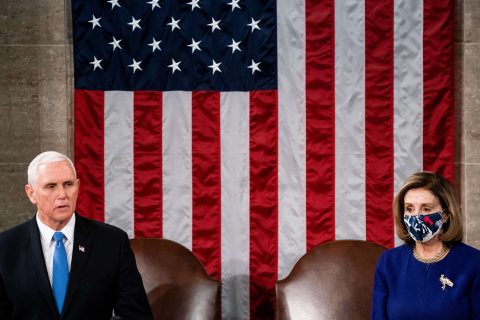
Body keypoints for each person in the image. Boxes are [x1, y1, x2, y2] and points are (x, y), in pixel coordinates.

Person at [0, 151, 153, 320]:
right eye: (51, 186)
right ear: (31, 193)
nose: (62, 195)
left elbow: (137, 316)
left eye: (68, 184)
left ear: (78, 187)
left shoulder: (112, 243)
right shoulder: (5, 247)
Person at [371, 171, 480, 319]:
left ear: (446, 215)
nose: (416, 216)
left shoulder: (473, 262)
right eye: (409, 209)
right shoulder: (388, 262)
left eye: (426, 209)